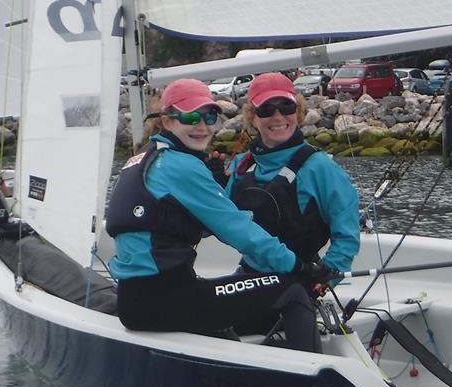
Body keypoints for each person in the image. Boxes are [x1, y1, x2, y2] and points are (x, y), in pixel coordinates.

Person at [106, 78, 332, 352]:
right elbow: (239, 231)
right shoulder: (182, 166)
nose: (201, 126)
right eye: (189, 116)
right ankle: (313, 384)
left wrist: (214, 187)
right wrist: (299, 267)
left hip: (137, 299)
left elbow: (190, 225)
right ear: (167, 121)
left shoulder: (147, 157)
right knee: (293, 290)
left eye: (209, 116)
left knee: (223, 318)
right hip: (164, 301)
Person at [224, 72, 360, 332]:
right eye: (266, 109)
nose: (277, 117)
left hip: (300, 282)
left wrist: (327, 276)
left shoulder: (320, 168)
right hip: (249, 276)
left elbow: (347, 235)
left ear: (297, 112)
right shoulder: (242, 164)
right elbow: (217, 221)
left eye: (286, 107)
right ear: (253, 117)